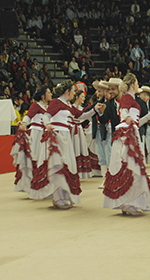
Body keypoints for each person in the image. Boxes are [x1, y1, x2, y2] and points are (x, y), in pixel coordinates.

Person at [30, 80, 105, 209]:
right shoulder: (56, 102)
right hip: (58, 135)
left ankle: (62, 196)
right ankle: (58, 197)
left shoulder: (68, 105)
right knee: (59, 165)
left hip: (65, 136)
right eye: (73, 91)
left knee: (66, 165)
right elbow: (46, 115)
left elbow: (82, 116)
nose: (74, 93)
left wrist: (95, 109)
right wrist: (47, 125)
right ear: (67, 91)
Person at [103, 73, 150, 216]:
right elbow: (124, 112)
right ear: (132, 84)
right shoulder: (127, 98)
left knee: (130, 167)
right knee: (131, 167)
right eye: (136, 83)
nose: (138, 86)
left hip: (130, 130)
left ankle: (129, 202)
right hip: (128, 133)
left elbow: (137, 121)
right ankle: (128, 202)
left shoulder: (130, 98)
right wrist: (127, 118)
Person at [11, 85, 52, 194]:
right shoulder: (36, 105)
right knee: (36, 158)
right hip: (37, 134)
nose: (51, 94)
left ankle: (42, 185)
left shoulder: (48, 107)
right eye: (49, 92)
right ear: (43, 95)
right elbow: (29, 115)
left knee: (43, 159)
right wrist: (24, 123)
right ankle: (33, 185)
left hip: (44, 135)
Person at [70, 90, 92, 179]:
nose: (83, 98)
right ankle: (73, 171)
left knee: (80, 149)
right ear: (76, 97)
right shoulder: (72, 107)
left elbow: (87, 117)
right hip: (73, 130)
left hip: (79, 129)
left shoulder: (81, 109)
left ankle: (79, 172)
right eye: (82, 96)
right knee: (74, 149)